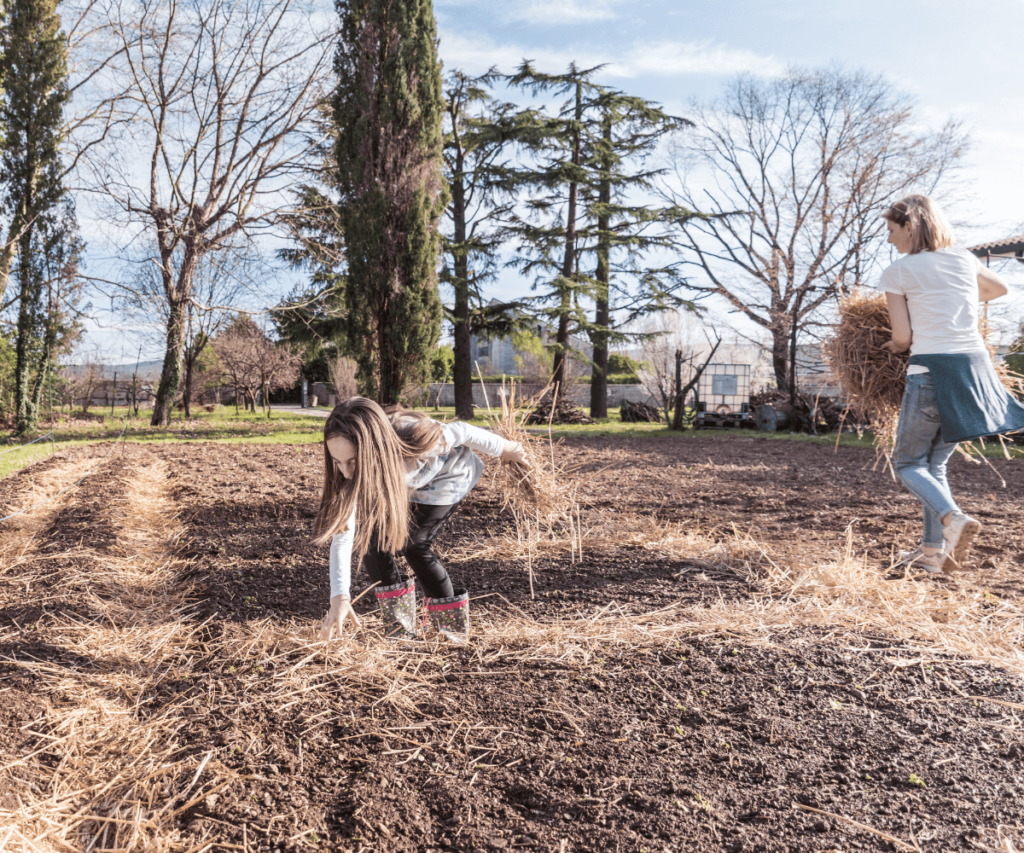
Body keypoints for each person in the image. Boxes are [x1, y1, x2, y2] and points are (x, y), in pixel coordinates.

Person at [880, 194, 1023, 573]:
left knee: (908, 463)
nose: (890, 239)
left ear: (909, 227)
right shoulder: (962, 258)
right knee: (935, 465)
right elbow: (999, 290)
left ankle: (952, 519)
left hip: (930, 371)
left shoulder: (898, 271)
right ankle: (931, 555)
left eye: (892, 230)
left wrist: (890, 344)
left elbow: (904, 338)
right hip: (974, 372)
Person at [314, 397, 526, 641]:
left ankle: (452, 631)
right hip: (401, 482)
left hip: (449, 474)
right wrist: (339, 597)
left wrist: (507, 448)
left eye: (352, 461)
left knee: (413, 544)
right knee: (371, 544)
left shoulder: (418, 439)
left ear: (376, 449)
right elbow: (343, 534)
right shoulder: (348, 475)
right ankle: (399, 629)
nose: (346, 472)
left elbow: (463, 431)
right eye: (337, 462)